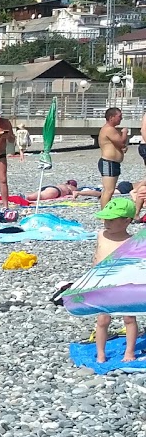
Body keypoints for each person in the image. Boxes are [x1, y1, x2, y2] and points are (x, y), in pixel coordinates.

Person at [92, 196, 139, 363]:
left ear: (127, 221)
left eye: (111, 220)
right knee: (103, 319)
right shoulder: (101, 235)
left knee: (129, 318)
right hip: (103, 283)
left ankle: (129, 352)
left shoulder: (132, 241)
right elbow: (96, 256)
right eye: (105, 219)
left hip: (124, 284)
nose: (106, 223)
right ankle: (101, 354)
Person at [98, 106, 127, 206]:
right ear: (111, 117)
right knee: (109, 190)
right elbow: (121, 142)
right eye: (119, 116)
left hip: (113, 163)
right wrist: (124, 133)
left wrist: (122, 148)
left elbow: (117, 145)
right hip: (108, 162)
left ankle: (106, 213)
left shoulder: (111, 130)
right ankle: (104, 215)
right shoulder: (109, 129)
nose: (121, 118)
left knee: (110, 190)